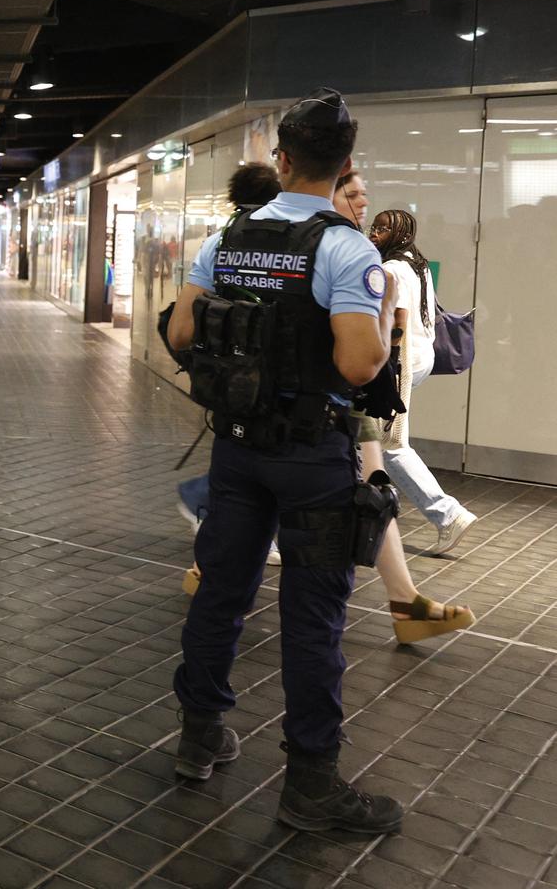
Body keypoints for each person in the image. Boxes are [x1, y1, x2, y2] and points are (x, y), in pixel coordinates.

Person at [165, 88, 405, 835]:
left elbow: (178, 333)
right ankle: (310, 784)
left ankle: (199, 735)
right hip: (310, 453)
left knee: (220, 594)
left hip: (237, 447)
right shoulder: (344, 246)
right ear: (344, 168)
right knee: (311, 619)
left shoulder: (228, 237)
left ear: (282, 159)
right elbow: (360, 364)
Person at [178, 162, 285, 577]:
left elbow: (180, 330)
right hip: (290, 405)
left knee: (237, 474)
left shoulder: (220, 242)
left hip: (229, 388)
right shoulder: (321, 243)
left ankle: (211, 564)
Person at [371, 210, 479, 551]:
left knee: (391, 445)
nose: (375, 232)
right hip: (420, 357)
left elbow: (395, 321)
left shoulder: (390, 269)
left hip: (399, 361)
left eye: (384, 228)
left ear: (400, 232)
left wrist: (384, 371)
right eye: (374, 225)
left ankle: (447, 514)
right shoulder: (417, 264)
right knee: (367, 442)